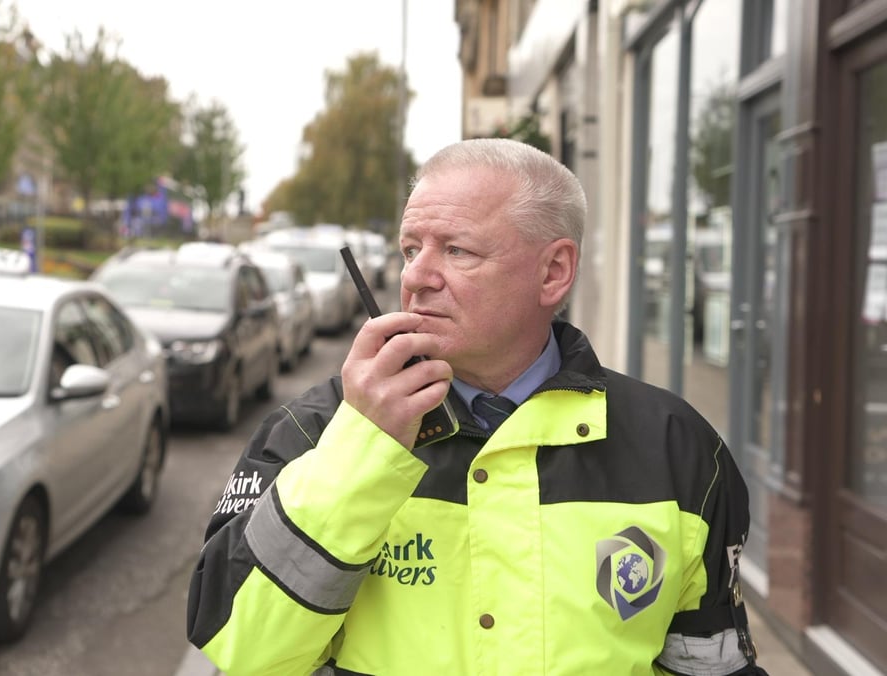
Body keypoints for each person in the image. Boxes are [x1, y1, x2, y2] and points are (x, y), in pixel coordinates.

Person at [186, 139, 767, 675]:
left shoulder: (676, 449)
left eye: (456, 250)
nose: (415, 277)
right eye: (411, 249)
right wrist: (363, 448)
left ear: (553, 272)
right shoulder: (311, 434)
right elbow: (243, 649)